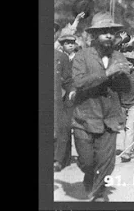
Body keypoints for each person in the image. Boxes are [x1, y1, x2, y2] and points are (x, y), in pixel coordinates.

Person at [70, 12, 132, 201]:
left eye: (112, 33)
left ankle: (98, 194)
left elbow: (126, 89)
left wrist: (123, 76)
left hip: (110, 119)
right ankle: (90, 176)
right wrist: (107, 74)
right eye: (104, 32)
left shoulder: (119, 56)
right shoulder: (82, 56)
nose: (109, 36)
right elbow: (79, 83)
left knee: (107, 163)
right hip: (85, 117)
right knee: (88, 162)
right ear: (95, 35)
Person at [54, 39, 74, 172]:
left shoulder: (61, 57)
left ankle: (56, 160)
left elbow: (67, 79)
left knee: (57, 129)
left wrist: (72, 91)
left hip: (55, 99)